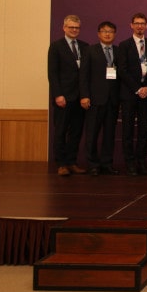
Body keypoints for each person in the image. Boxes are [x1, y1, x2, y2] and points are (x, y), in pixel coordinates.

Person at [117, 12, 147, 176]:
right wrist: (137, 88)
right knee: (127, 130)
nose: (140, 26)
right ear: (131, 25)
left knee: (143, 130)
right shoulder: (124, 45)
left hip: (146, 94)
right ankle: (130, 163)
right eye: (137, 23)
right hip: (129, 94)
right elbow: (122, 70)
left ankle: (141, 161)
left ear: (146, 26)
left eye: (142, 23)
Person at [47, 14, 89, 176]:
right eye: (71, 27)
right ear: (64, 28)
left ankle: (72, 162)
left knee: (76, 132)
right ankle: (61, 164)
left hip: (80, 97)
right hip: (63, 97)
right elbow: (52, 73)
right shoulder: (56, 46)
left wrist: (86, 95)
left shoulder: (85, 46)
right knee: (61, 131)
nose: (74, 30)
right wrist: (58, 95)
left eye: (77, 28)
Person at [79, 21, 120, 176]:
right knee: (92, 133)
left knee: (109, 134)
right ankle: (93, 164)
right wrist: (84, 95)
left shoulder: (118, 51)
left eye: (111, 31)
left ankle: (106, 164)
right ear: (98, 33)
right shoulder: (90, 50)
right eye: (104, 31)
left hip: (113, 100)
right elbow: (83, 75)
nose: (107, 34)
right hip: (95, 99)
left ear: (114, 34)